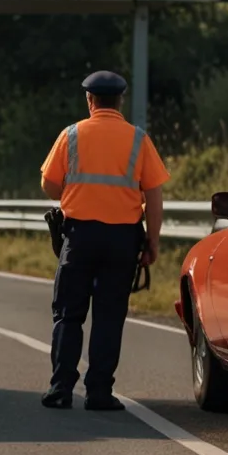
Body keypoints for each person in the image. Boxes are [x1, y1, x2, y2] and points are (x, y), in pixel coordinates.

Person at [38, 70, 169, 411]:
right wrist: (152, 241)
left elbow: (50, 186)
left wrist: (75, 191)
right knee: (109, 316)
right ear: (120, 100)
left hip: (79, 237)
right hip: (122, 241)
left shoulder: (71, 135)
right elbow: (154, 196)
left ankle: (60, 388)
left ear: (90, 100)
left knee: (68, 314)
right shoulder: (139, 140)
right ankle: (98, 392)